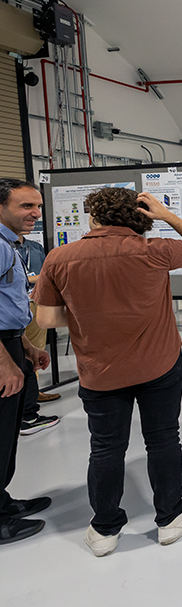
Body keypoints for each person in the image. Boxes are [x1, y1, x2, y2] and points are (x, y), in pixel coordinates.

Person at [34, 187, 182, 557]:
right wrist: (164, 214)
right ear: (137, 216)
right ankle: (169, 518)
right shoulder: (154, 250)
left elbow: (47, 319)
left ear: (93, 216)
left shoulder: (60, 257)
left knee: (105, 447)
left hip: (100, 370)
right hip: (158, 364)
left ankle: (104, 530)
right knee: (163, 438)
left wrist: (92, 315)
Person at [0, 178, 51, 545]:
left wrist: (24, 346)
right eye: (25, 206)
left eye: (37, 205)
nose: (35, 213)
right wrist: (4, 362)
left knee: (8, 433)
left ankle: (3, 503)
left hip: (10, 342)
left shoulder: (10, 245)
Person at [12, 233, 60, 434]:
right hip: (15, 306)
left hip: (36, 302)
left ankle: (33, 395)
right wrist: (36, 278)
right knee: (18, 358)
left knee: (35, 351)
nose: (35, 214)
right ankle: (26, 411)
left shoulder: (35, 246)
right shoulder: (5, 246)